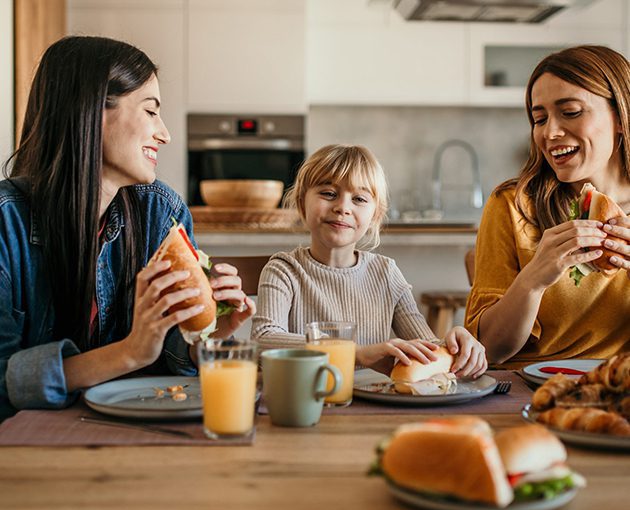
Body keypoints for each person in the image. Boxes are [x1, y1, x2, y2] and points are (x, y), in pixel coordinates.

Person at [0, 36, 255, 419]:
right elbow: (4, 380)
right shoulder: (7, 223)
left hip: (141, 434)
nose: (165, 134)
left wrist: (204, 335)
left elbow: (170, 361)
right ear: (91, 111)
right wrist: (129, 352)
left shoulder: (161, 212)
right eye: (151, 111)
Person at [251, 144, 487, 377]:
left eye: (360, 199)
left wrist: (453, 343)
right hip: (308, 404)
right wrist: (355, 353)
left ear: (375, 215)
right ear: (302, 202)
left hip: (374, 407)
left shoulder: (386, 272)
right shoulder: (283, 270)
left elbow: (426, 346)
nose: (342, 207)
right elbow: (264, 338)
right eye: (328, 194)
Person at [465, 45, 630, 368]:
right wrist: (533, 279)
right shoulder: (513, 205)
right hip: (526, 391)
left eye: (570, 112)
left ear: (621, 117)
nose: (550, 132)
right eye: (539, 119)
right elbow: (489, 350)